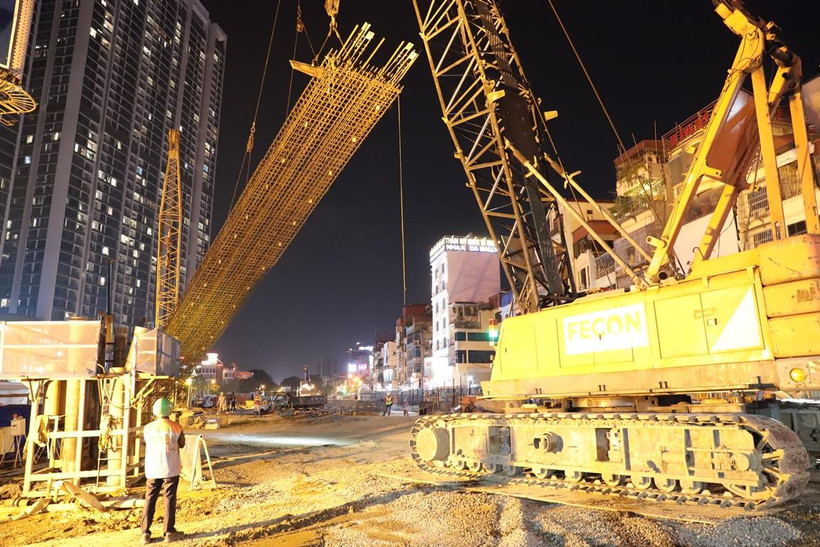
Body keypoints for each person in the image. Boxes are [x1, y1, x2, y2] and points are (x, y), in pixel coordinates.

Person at [141, 397, 185, 544]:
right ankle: (169, 531)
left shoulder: (148, 428)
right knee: (169, 499)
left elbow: (145, 442)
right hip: (171, 468)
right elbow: (182, 444)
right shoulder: (176, 427)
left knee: (150, 499)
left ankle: (145, 533)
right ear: (170, 410)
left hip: (152, 468)